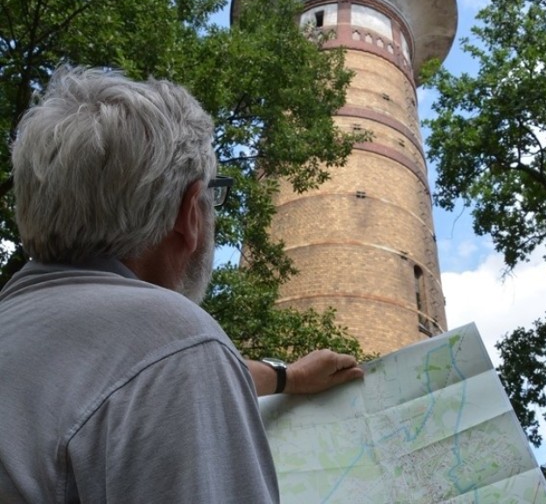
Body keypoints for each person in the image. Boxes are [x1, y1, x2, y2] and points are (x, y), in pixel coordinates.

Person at [0, 67, 364, 503]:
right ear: (190, 212)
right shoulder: (176, 342)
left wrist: (288, 377)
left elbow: (115, 378)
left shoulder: (19, 325)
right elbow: (160, 363)